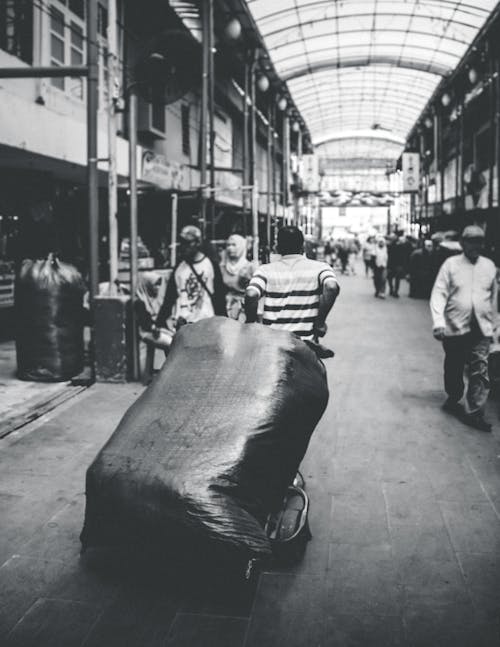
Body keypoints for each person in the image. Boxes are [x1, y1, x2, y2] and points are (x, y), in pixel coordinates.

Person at [430, 225, 497, 432]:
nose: (476, 245)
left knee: (480, 369)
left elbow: (494, 298)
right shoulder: (451, 265)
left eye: (479, 241)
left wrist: (494, 325)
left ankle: (474, 412)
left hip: (481, 329)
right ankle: (454, 395)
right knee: (454, 366)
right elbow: (439, 293)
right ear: (462, 243)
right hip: (455, 326)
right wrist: (439, 322)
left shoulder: (489, 266)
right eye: (471, 241)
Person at [244, 226, 339, 346]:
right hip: (305, 343)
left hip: (272, 345)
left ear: (277, 248)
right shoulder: (321, 268)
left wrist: (250, 323)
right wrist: (320, 323)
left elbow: (251, 294)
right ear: (303, 247)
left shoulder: (264, 271)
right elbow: (331, 287)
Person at [154, 225, 226, 333]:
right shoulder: (180, 267)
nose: (184, 246)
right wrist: (159, 323)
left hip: (206, 323)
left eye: (188, 243)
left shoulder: (210, 265)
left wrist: (223, 323)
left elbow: (219, 297)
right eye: (182, 242)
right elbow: (170, 297)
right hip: (183, 324)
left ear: (198, 243)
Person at [220, 234, 255, 321]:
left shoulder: (250, 267)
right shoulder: (223, 267)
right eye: (228, 245)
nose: (230, 248)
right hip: (226, 309)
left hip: (244, 311)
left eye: (234, 245)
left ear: (241, 246)